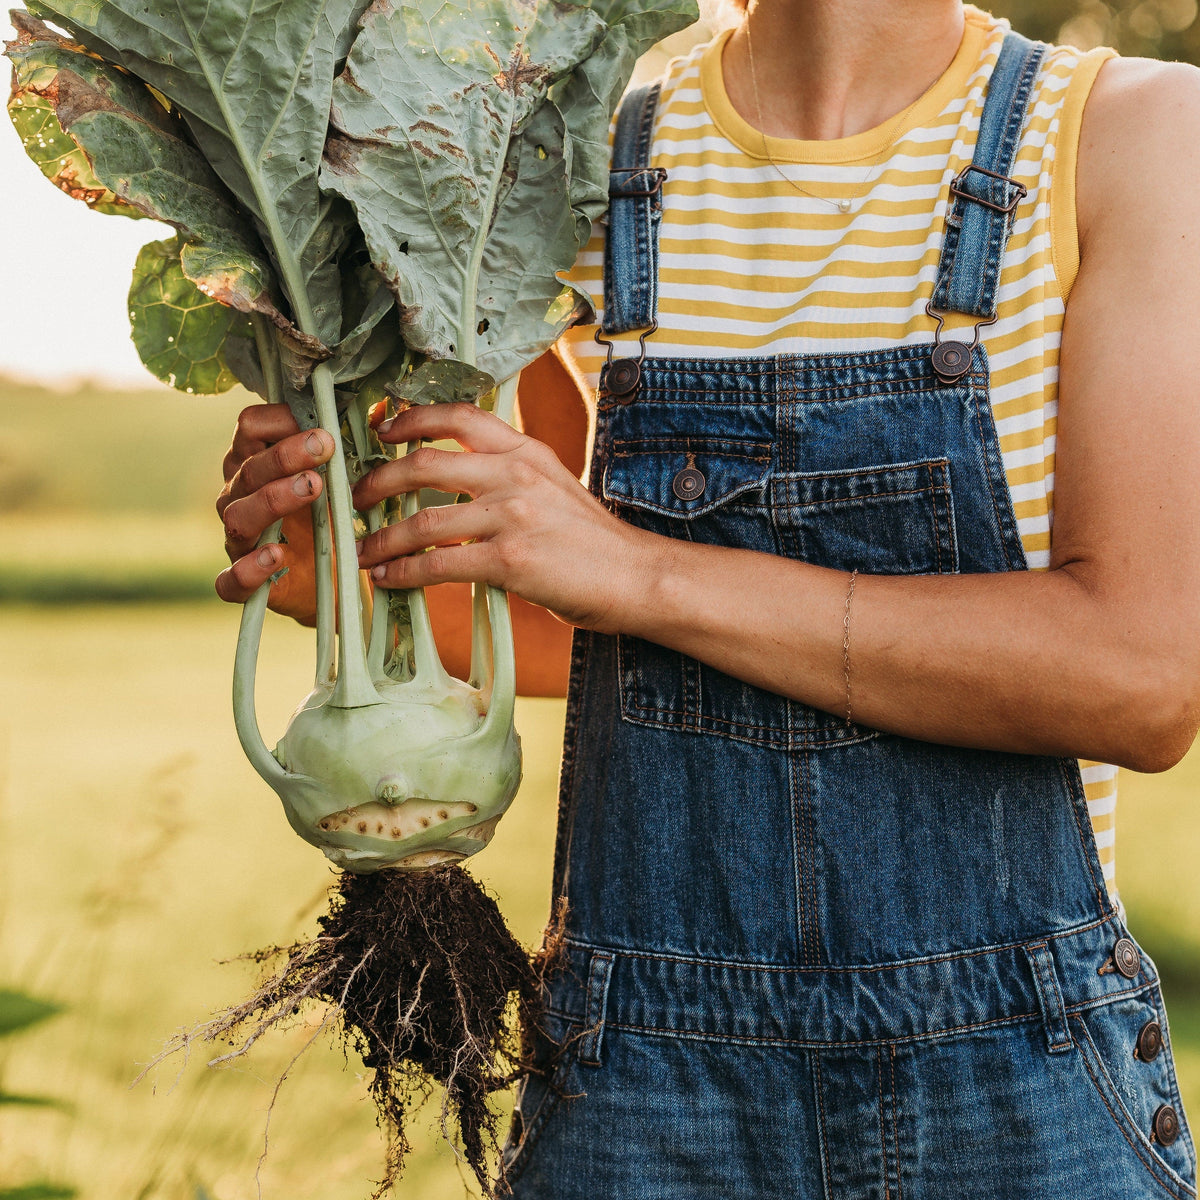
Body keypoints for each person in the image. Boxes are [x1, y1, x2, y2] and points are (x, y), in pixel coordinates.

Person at [214, 2, 1200, 1195]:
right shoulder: (564, 154)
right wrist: (375, 563)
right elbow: (592, 634)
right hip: (639, 1085)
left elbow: (1141, 679)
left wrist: (643, 569)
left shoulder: (1125, 138)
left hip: (1023, 1083)